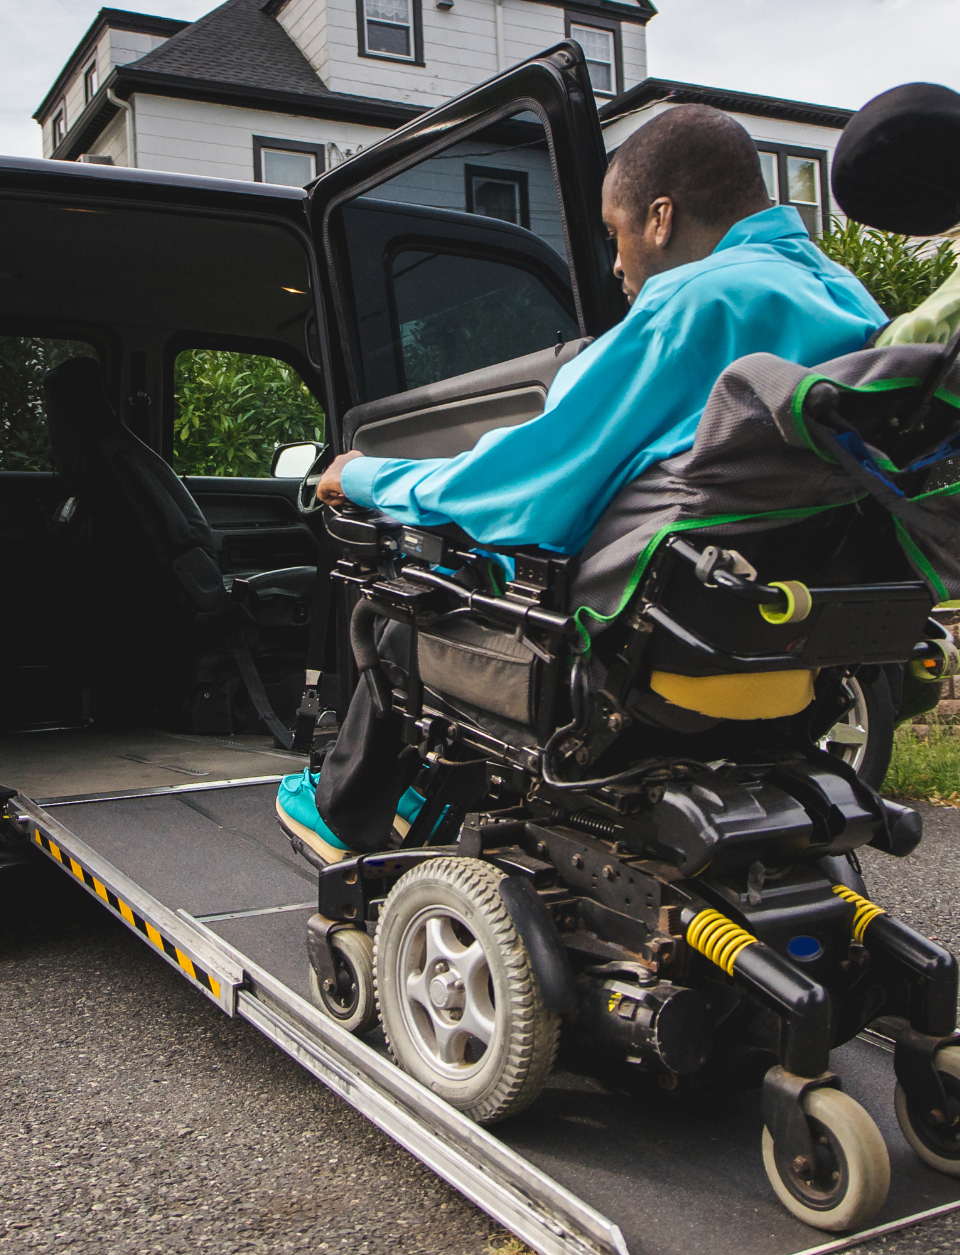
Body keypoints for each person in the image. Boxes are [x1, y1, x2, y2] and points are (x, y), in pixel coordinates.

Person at [276, 104, 888, 863]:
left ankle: (347, 812)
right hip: (788, 651)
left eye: (614, 233)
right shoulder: (854, 305)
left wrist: (365, 475)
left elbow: (527, 495)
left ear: (659, 218)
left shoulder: (692, 306)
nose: (616, 264)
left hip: (630, 659)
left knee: (391, 613)